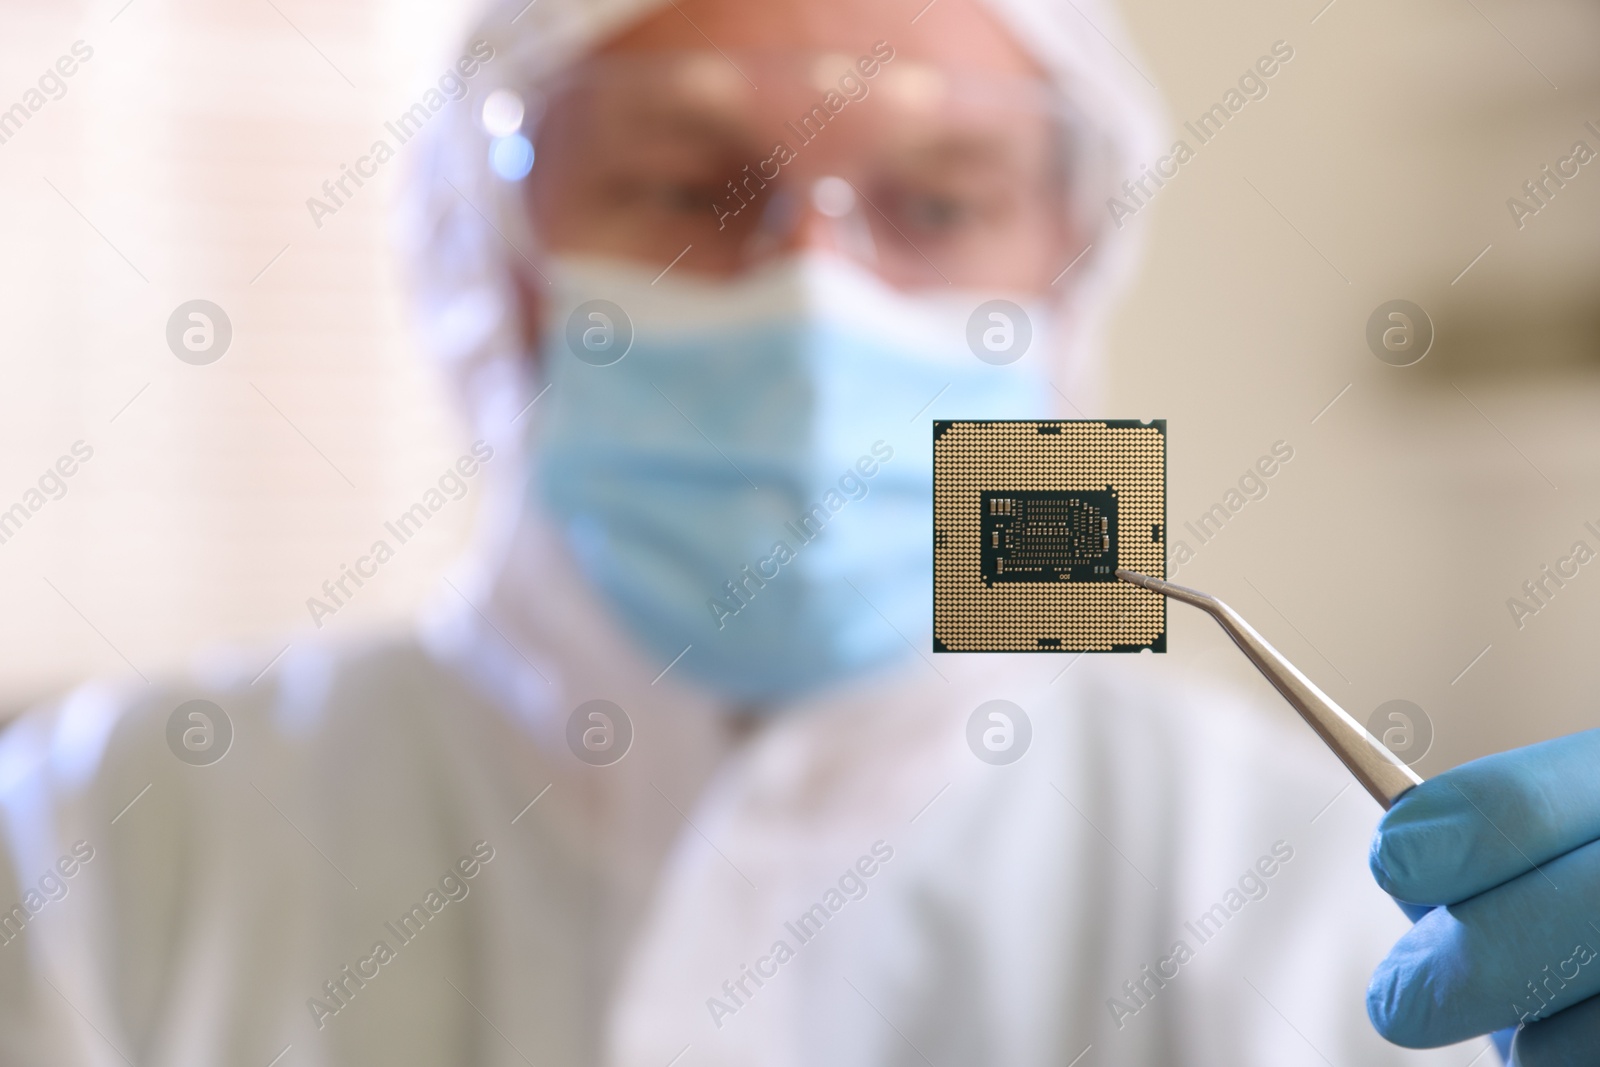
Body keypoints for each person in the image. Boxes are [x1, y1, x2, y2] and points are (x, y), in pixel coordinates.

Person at [0, 0, 1591, 1062]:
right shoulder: (99, 841)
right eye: (688, 184)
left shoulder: (1305, 878)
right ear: (490, 269)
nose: (813, 291)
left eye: (938, 202)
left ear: (1063, 295)